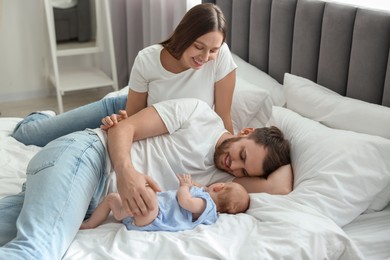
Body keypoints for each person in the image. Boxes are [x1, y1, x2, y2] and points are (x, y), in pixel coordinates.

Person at [0, 98, 291, 259]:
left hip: (88, 201)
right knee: (38, 249)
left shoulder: (219, 184)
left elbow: (281, 185)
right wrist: (127, 174)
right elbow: (122, 129)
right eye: (241, 155)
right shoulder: (198, 113)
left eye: (243, 171)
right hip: (89, 158)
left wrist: (288, 142)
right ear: (247, 132)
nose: (234, 167)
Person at [11, 3, 237, 147]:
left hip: (148, 120)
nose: (205, 56)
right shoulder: (148, 59)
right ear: (185, 35)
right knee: (28, 136)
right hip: (126, 108)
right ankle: (40, 116)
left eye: (213, 50)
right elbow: (133, 115)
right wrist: (118, 123)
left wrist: (232, 149)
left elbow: (223, 117)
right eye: (199, 46)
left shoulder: (221, 57)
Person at [80, 174, 250, 231]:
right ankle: (90, 224)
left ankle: (126, 211)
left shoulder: (207, 206)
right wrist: (194, 185)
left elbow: (186, 203)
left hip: (154, 218)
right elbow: (199, 187)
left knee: (149, 194)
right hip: (144, 213)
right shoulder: (204, 194)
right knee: (112, 198)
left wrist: (184, 186)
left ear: (220, 187)